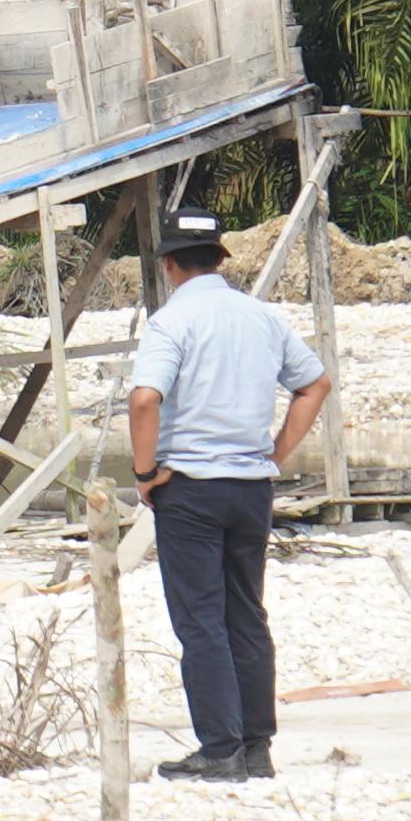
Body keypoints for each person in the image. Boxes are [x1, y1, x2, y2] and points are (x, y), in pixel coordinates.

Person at [127, 206, 331, 782]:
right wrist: (276, 453)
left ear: (168, 264)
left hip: (191, 488)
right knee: (246, 614)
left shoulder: (172, 322)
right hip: (250, 489)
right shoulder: (261, 317)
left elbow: (145, 400)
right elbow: (315, 384)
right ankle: (257, 746)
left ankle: (219, 750)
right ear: (220, 258)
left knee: (200, 621)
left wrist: (145, 475)